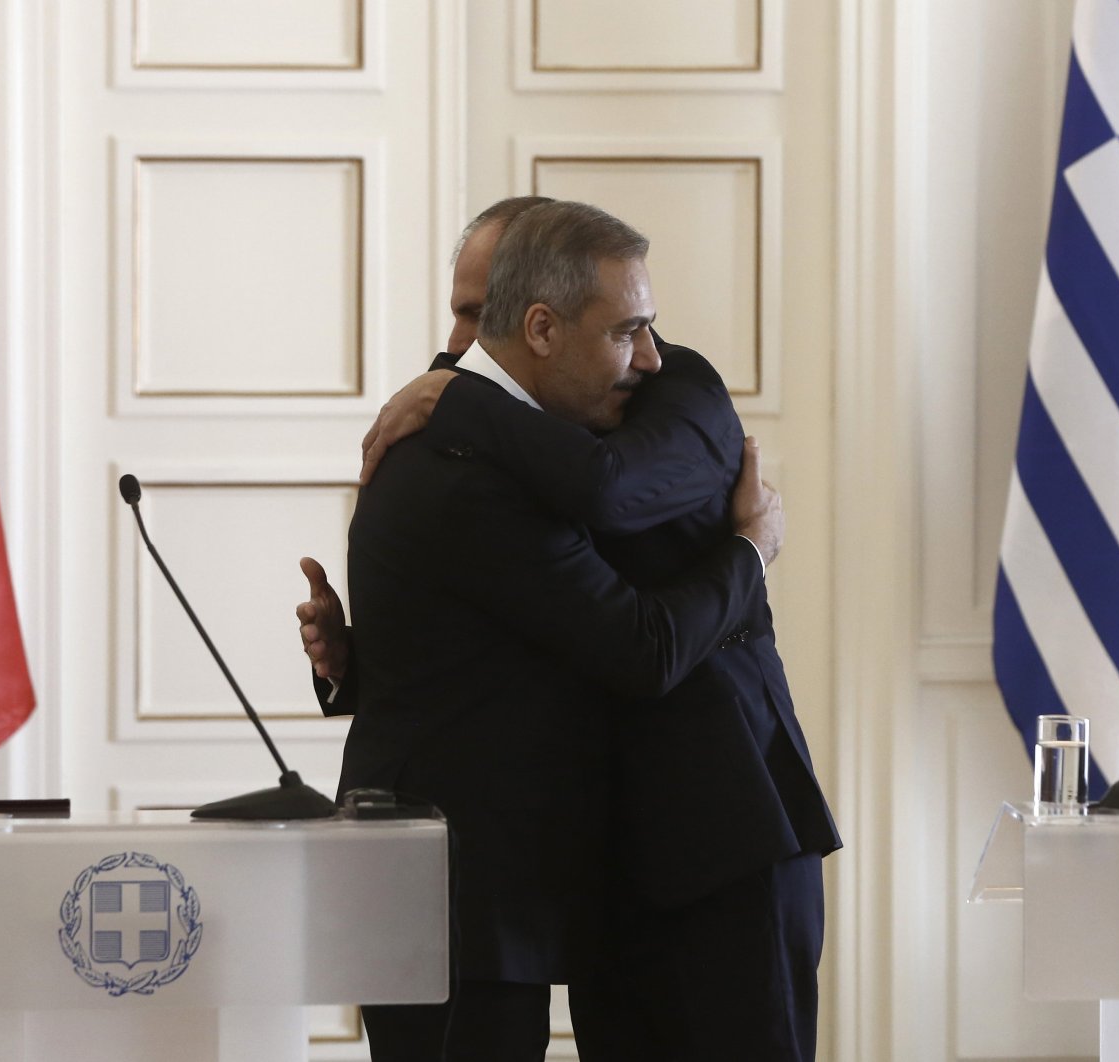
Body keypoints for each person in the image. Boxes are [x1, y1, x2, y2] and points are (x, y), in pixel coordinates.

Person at [300, 196, 839, 1061]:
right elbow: (500, 634)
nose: (461, 347)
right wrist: (360, 665)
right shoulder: (459, 460)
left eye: (485, 313)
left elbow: (608, 494)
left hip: (722, 822)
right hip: (581, 866)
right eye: (469, 313)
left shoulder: (674, 391)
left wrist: (753, 550)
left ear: (539, 316)